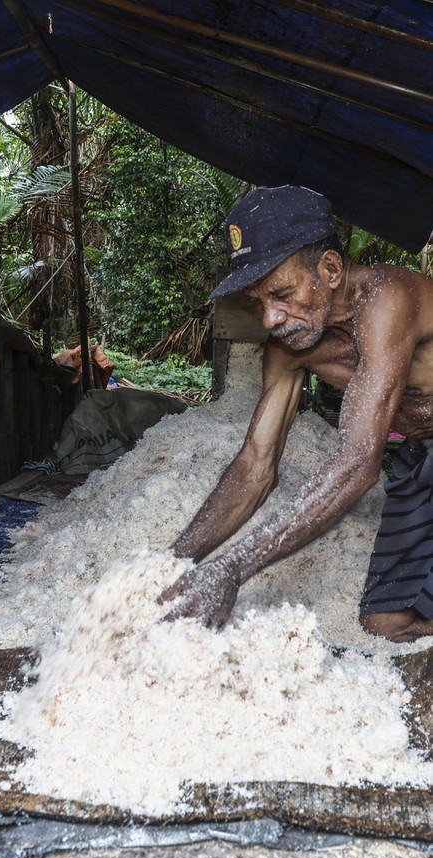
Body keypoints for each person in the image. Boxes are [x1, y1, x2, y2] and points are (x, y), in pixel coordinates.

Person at [160, 184, 433, 644]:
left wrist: (232, 568)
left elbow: (358, 463)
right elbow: (254, 468)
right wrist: (170, 565)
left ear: (329, 269)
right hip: (423, 452)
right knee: (386, 625)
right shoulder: (288, 350)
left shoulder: (388, 297)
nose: (270, 318)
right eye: (257, 302)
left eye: (281, 293)